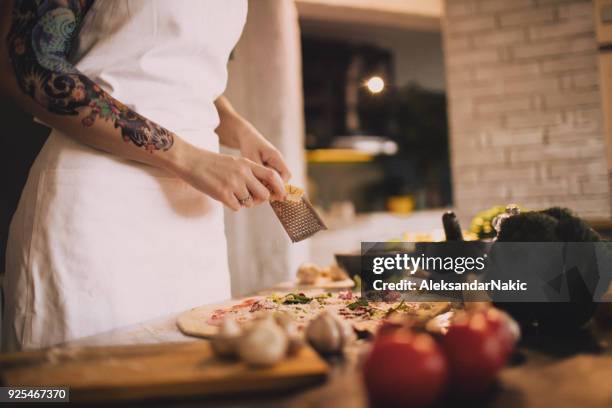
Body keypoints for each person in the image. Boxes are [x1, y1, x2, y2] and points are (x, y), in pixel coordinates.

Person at [0, 0, 291, 351]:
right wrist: (189, 159)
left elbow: (176, 66)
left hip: (193, 217)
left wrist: (241, 130)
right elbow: (28, 65)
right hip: (100, 206)